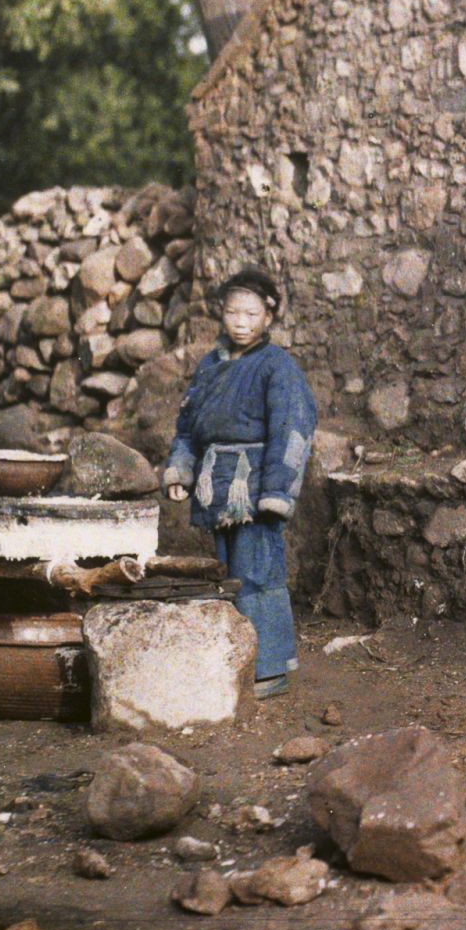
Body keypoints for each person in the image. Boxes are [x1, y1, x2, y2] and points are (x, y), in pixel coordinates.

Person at [163, 267, 317, 699]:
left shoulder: (277, 366)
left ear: (268, 316)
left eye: (251, 314)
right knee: (228, 577)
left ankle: (269, 668)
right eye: (233, 312)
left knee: (257, 574)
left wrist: (277, 491)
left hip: (252, 487)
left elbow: (292, 429)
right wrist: (181, 470)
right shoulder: (210, 366)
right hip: (217, 486)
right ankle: (239, 663)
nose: (241, 323)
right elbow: (187, 428)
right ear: (221, 312)